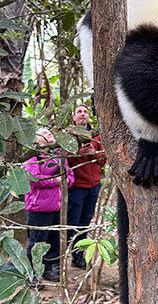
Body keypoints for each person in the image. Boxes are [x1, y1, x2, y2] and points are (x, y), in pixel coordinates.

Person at [24, 128, 74, 282]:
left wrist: (65, 181)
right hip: (39, 208)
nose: (49, 134)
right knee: (37, 243)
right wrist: (55, 181)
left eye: (50, 133)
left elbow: (70, 176)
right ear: (37, 141)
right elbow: (33, 178)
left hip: (56, 207)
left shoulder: (60, 155)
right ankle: (32, 274)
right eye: (44, 134)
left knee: (54, 242)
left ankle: (50, 270)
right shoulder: (33, 156)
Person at [66, 104, 106, 269]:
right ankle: (64, 253)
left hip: (94, 185)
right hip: (76, 186)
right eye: (79, 112)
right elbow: (63, 157)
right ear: (74, 117)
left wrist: (94, 154)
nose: (82, 114)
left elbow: (104, 159)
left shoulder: (95, 135)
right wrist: (78, 153)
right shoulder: (69, 134)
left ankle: (78, 256)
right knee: (72, 221)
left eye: (85, 112)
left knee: (85, 222)